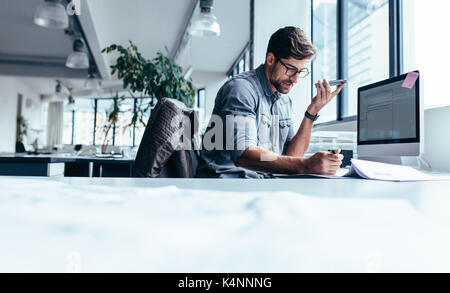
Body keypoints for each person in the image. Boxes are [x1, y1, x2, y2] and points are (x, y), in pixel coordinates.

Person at [196, 26, 346, 178]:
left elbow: (291, 156)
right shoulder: (241, 89)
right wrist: (306, 165)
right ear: (270, 59)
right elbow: (244, 155)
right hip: (226, 183)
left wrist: (312, 113)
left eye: (300, 72)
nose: (295, 79)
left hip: (262, 181)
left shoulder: (284, 100)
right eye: (291, 69)